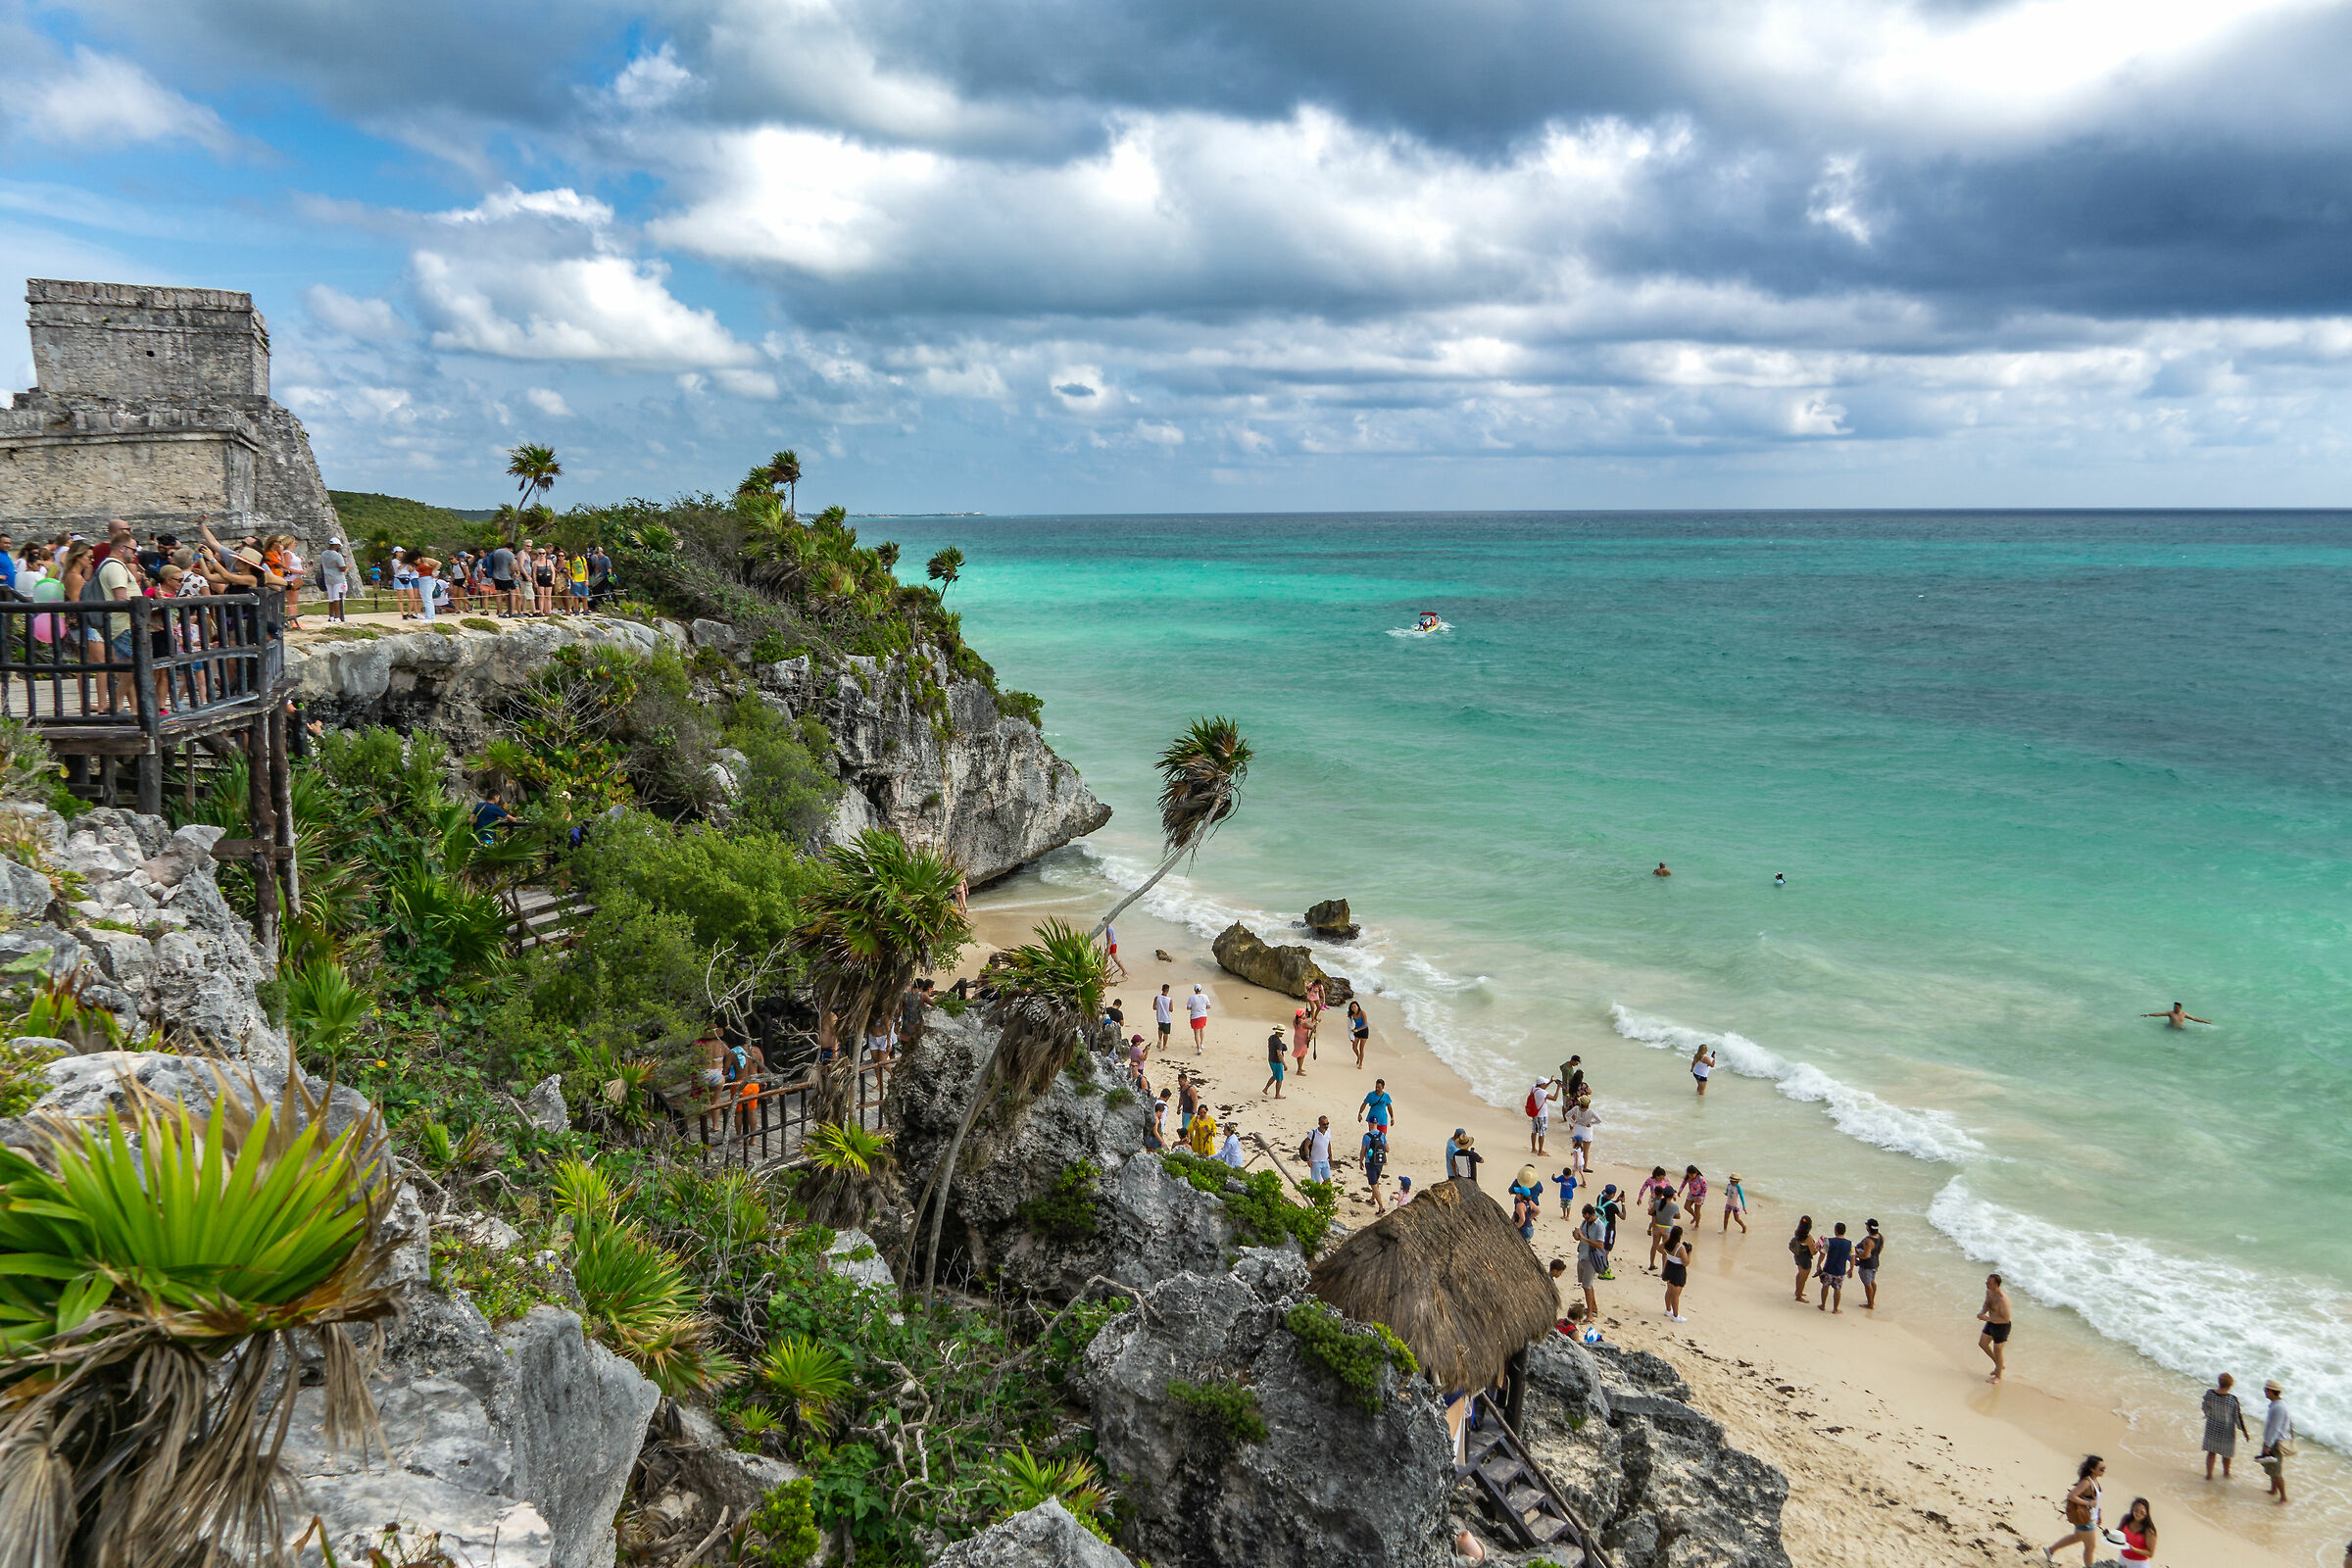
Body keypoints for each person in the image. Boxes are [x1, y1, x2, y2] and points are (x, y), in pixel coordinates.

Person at [2045, 1455, 2105, 1564]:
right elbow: (2071, 1496)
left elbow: (2096, 1499)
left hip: (2089, 1517)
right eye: (2101, 1468)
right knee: (2090, 1547)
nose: (2104, 1470)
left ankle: (2050, 1550)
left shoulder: (2095, 1480)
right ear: (2092, 1469)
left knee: (2076, 1537)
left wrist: (2099, 1513)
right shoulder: (2087, 1482)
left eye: (2104, 1467)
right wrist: (2089, 1503)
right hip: (2085, 1519)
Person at [2202, 1372, 2248, 1479]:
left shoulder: (2209, 1394)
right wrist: (2244, 1431)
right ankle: (2226, 1473)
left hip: (2212, 1426)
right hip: (2226, 1430)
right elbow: (2237, 1416)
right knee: (2226, 1454)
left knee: (2211, 1452)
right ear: (2230, 1386)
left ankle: (2209, 1475)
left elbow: (2205, 1406)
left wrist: (2206, 1413)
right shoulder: (2232, 1400)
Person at [2261, 1381, 2292, 1504]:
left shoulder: (2278, 1407)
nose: (2265, 1393)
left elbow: (2275, 1428)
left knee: (2276, 1471)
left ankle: (2283, 1497)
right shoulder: (2278, 1404)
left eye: (2266, 1391)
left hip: (2275, 1443)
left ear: (2272, 1391)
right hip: (2273, 1441)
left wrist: (2267, 1445)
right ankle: (2273, 1490)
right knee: (2272, 1469)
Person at [1574, 1203, 1607, 1318]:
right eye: (1584, 1218)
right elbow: (1579, 1237)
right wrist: (1577, 1235)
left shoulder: (1600, 1226)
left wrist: (1584, 1239)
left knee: (1587, 1286)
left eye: (1588, 1218)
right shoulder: (1584, 1223)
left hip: (1591, 1259)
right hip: (1582, 1256)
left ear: (1593, 1215)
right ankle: (1593, 1308)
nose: (1586, 1220)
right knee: (1586, 1285)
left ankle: (1590, 1315)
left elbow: (1600, 1244)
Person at [1978, 1272, 2013, 1382]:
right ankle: (1999, 1365)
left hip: (2002, 1326)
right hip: (1992, 1322)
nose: (1986, 1284)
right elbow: (1987, 1303)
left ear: (1996, 1285)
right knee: (1982, 1344)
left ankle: (1998, 1376)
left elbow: (2006, 1319)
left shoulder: (2003, 1300)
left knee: (1997, 1350)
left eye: (1989, 1283)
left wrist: (1988, 1319)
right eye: (1987, 1281)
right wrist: (1983, 1312)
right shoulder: (1989, 1291)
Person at [1816, 1221, 1851, 1312]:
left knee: (1825, 1286)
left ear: (1835, 1231)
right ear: (1845, 1231)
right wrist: (1851, 1269)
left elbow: (1823, 1254)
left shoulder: (1829, 1241)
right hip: (1840, 1271)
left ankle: (1823, 1305)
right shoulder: (1850, 1244)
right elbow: (1853, 1257)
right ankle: (1835, 1309)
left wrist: (1818, 1264)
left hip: (1828, 1269)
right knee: (1837, 1289)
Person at [1646, 1180, 1681, 1271]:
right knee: (1665, 1250)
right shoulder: (1674, 1207)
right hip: (1667, 1229)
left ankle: (1652, 1264)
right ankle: (1664, 1270)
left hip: (1657, 1226)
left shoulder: (1657, 1203)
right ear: (1672, 1195)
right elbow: (1678, 1216)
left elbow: (1651, 1212)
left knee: (1654, 1245)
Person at [1660, 1224, 1692, 1321]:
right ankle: (1675, 1315)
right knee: (1676, 1295)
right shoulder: (1680, 1248)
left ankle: (1668, 1310)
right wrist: (1689, 1253)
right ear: (1680, 1236)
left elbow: (1658, 1248)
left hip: (1669, 1266)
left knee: (1669, 1291)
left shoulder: (1667, 1243)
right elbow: (1686, 1263)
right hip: (1678, 1271)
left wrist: (1667, 1254)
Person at [318, 536, 351, 622]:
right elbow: (342, 568)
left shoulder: (323, 554)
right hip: (337, 578)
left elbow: (321, 566)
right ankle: (337, 617)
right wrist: (347, 567)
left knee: (331, 597)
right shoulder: (337, 555)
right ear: (336, 545)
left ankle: (331, 616)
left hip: (327, 577)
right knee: (337, 597)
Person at [2114, 1497, 2155, 1565]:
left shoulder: (2148, 1530)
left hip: (2139, 1564)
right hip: (2123, 1559)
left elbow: (2150, 1553)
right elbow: (2119, 1531)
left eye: (2142, 1512)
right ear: (2132, 1509)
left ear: (2146, 1513)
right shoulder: (2126, 1519)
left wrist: (2133, 1549)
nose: (2138, 1514)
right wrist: (2109, 1534)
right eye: (2136, 1510)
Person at [1855, 1218, 1885, 1309]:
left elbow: (1866, 1255)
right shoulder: (1880, 1236)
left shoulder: (1868, 1241)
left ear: (1868, 1227)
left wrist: (1856, 1256)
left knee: (1867, 1284)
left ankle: (1870, 1304)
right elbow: (1880, 1248)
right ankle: (1872, 1300)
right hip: (1875, 1262)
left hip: (1867, 1265)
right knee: (1872, 1281)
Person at [1508, 1165, 1544, 1241]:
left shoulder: (1518, 1182)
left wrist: (1514, 1228)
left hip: (1523, 1226)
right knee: (1525, 1217)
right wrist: (1530, 1218)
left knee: (1520, 1216)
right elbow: (1541, 1190)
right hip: (1529, 1222)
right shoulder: (1537, 1184)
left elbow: (1511, 1190)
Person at [1566, 1095, 1598, 1172]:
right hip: (1587, 1131)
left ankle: (1576, 1164)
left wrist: (1573, 1123)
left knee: (1577, 1149)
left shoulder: (1576, 1109)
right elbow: (1599, 1120)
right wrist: (1591, 1123)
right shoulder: (1591, 1112)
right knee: (1586, 1151)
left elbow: (1567, 1115)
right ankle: (1584, 1167)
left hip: (1578, 1129)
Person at [1361, 1122, 1389, 1206]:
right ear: (1377, 1123)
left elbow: (1363, 1150)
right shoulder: (1382, 1135)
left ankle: (1381, 1207)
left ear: (1369, 1123)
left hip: (1370, 1162)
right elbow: (1387, 1149)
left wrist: (1360, 1161)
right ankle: (1372, 1199)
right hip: (1379, 1162)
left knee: (1373, 1185)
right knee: (1376, 1181)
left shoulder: (1366, 1136)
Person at [1789, 1216, 1816, 1301]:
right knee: (1803, 1279)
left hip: (1798, 1256)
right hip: (1805, 1259)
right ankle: (1799, 1296)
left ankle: (1797, 1291)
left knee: (1799, 1275)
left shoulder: (1797, 1233)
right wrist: (1819, 1247)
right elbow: (1813, 1252)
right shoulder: (1808, 1238)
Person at [1526, 1076, 1553, 1153]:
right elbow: (1554, 1098)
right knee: (1542, 1133)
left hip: (1535, 1114)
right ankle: (1540, 1151)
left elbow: (1543, 1088)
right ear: (1542, 1084)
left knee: (1534, 1131)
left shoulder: (1533, 1088)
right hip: (1542, 1115)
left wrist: (1550, 1082)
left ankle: (1533, 1148)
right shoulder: (1542, 1092)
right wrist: (1558, 1088)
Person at [2141, 1002, 2212, 1028]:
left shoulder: (2184, 1014)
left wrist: (2205, 1022)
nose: (2174, 1008)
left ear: (2180, 1008)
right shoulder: (2170, 1013)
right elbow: (2159, 1014)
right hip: (2170, 1028)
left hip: (2180, 1029)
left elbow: (2194, 1019)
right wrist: (2148, 1014)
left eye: (2176, 1007)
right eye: (2174, 1007)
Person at [1680, 1164, 1707, 1229]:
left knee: (1697, 1210)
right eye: (1689, 1174)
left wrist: (1700, 1196)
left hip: (1699, 1195)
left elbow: (1705, 1188)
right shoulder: (1687, 1177)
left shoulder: (1700, 1178)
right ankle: (1694, 1217)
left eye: (1692, 1175)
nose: (1691, 1176)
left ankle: (1697, 1224)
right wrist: (1680, 1191)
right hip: (1691, 1194)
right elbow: (1683, 1183)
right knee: (1686, 1207)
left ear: (1696, 1173)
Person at [1261, 1027, 1286, 1098]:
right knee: (1279, 1079)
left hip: (1271, 1059)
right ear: (1279, 1032)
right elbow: (1279, 1054)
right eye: (1282, 1032)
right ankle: (1277, 1095)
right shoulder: (1278, 1042)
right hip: (1277, 1062)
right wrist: (1284, 1064)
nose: (1283, 1034)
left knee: (1275, 1075)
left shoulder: (1271, 1038)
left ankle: (1265, 1089)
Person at [1308, 1116, 1333, 1183]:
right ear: (1319, 1124)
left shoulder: (1328, 1131)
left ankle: (1322, 1191)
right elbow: (1306, 1145)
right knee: (1316, 1182)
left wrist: (1330, 1157)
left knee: (1327, 1181)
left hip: (1325, 1161)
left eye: (1327, 1124)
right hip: (1315, 1162)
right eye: (1324, 1124)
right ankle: (1316, 1193)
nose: (1326, 1126)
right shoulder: (1313, 1133)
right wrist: (1308, 1158)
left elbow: (1328, 1144)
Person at [1187, 984, 1209, 1053]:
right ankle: (1201, 1044)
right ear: (1201, 989)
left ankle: (1199, 1047)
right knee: (1202, 1030)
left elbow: (1188, 1007)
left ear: (1194, 990)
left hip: (1195, 1016)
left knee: (1196, 1033)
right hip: (1203, 1015)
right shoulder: (1205, 996)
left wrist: (1194, 1007)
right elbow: (1208, 1006)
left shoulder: (1191, 998)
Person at [1290, 1008, 1311, 1075]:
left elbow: (1301, 1021)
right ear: (1302, 1015)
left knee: (1300, 1055)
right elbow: (1312, 1027)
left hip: (1297, 1039)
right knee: (1302, 1055)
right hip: (1302, 1040)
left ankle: (1300, 1068)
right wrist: (1317, 1022)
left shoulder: (1294, 1021)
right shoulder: (1303, 1023)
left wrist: (1306, 1018)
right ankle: (1299, 1070)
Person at [1153, 984, 1174, 1050]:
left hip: (1159, 1017)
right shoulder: (1169, 999)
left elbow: (1154, 1007)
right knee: (1166, 1033)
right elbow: (1171, 1010)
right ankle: (1164, 1045)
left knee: (1160, 1029)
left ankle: (1159, 1040)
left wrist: (1160, 1008)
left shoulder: (1157, 997)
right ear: (1168, 990)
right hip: (1166, 1018)